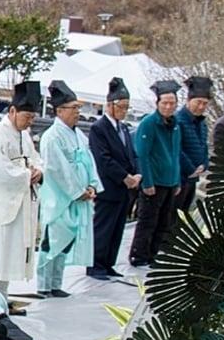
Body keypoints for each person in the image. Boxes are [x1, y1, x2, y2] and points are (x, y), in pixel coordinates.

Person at [0, 81, 45, 297]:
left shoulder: (24, 135)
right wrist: (26, 175)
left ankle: (3, 297)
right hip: (1, 203)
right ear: (12, 111)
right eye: (27, 117)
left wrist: (38, 170)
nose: (29, 122)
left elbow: (35, 158)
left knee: (10, 255)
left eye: (33, 118)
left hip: (20, 202)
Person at [36, 81, 101, 298]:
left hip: (77, 198)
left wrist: (92, 184)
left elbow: (89, 161)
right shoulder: (51, 137)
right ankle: (43, 285)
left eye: (78, 108)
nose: (77, 113)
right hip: (58, 198)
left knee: (65, 243)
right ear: (60, 110)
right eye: (74, 108)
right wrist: (76, 191)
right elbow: (57, 169)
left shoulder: (79, 135)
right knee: (50, 242)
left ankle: (56, 283)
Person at [87, 78, 141, 280]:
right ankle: (96, 264)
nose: (124, 111)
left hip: (125, 187)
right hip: (108, 185)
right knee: (103, 226)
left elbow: (132, 153)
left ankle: (109, 263)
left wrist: (136, 173)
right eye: (121, 107)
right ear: (110, 105)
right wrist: (124, 177)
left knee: (118, 227)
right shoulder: (99, 128)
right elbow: (104, 159)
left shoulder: (124, 128)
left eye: (127, 107)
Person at [129, 80, 183, 268]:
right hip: (155, 180)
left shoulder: (175, 124)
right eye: (164, 103)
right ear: (157, 104)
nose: (168, 107)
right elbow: (142, 153)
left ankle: (154, 253)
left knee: (164, 221)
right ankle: (139, 254)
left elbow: (176, 153)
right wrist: (147, 182)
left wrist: (177, 180)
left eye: (172, 103)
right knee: (147, 220)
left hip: (170, 180)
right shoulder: (149, 123)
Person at [175, 75, 213, 212]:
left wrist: (204, 164)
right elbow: (176, 150)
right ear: (189, 100)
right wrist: (191, 169)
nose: (201, 106)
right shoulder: (178, 120)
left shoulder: (202, 124)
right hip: (179, 178)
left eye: (205, 103)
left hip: (194, 179)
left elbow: (204, 147)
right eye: (198, 102)